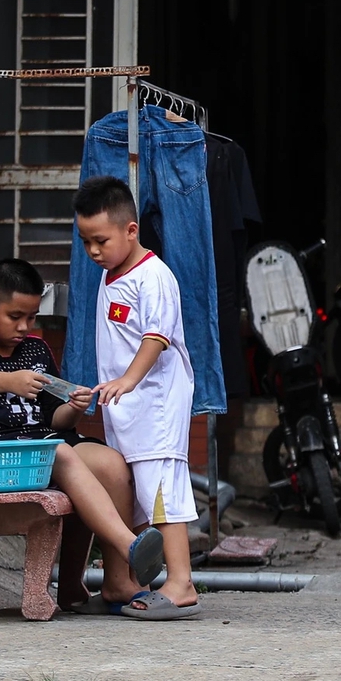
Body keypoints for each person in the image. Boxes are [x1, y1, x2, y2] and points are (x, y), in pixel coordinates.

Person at [0, 258, 161, 621]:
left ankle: (113, 582)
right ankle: (130, 546)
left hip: (43, 443)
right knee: (62, 455)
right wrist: (8, 381)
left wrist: (75, 407)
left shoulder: (36, 349)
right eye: (15, 316)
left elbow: (54, 418)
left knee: (111, 464)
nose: (24, 326)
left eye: (31, 317)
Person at [74, 174, 201, 620]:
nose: (93, 251)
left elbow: (156, 337)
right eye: (86, 241)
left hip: (156, 408)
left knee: (162, 492)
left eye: (101, 240)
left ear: (131, 230)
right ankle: (126, 584)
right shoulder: (112, 276)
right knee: (136, 496)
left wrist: (128, 380)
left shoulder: (154, 276)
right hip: (126, 413)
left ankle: (181, 582)